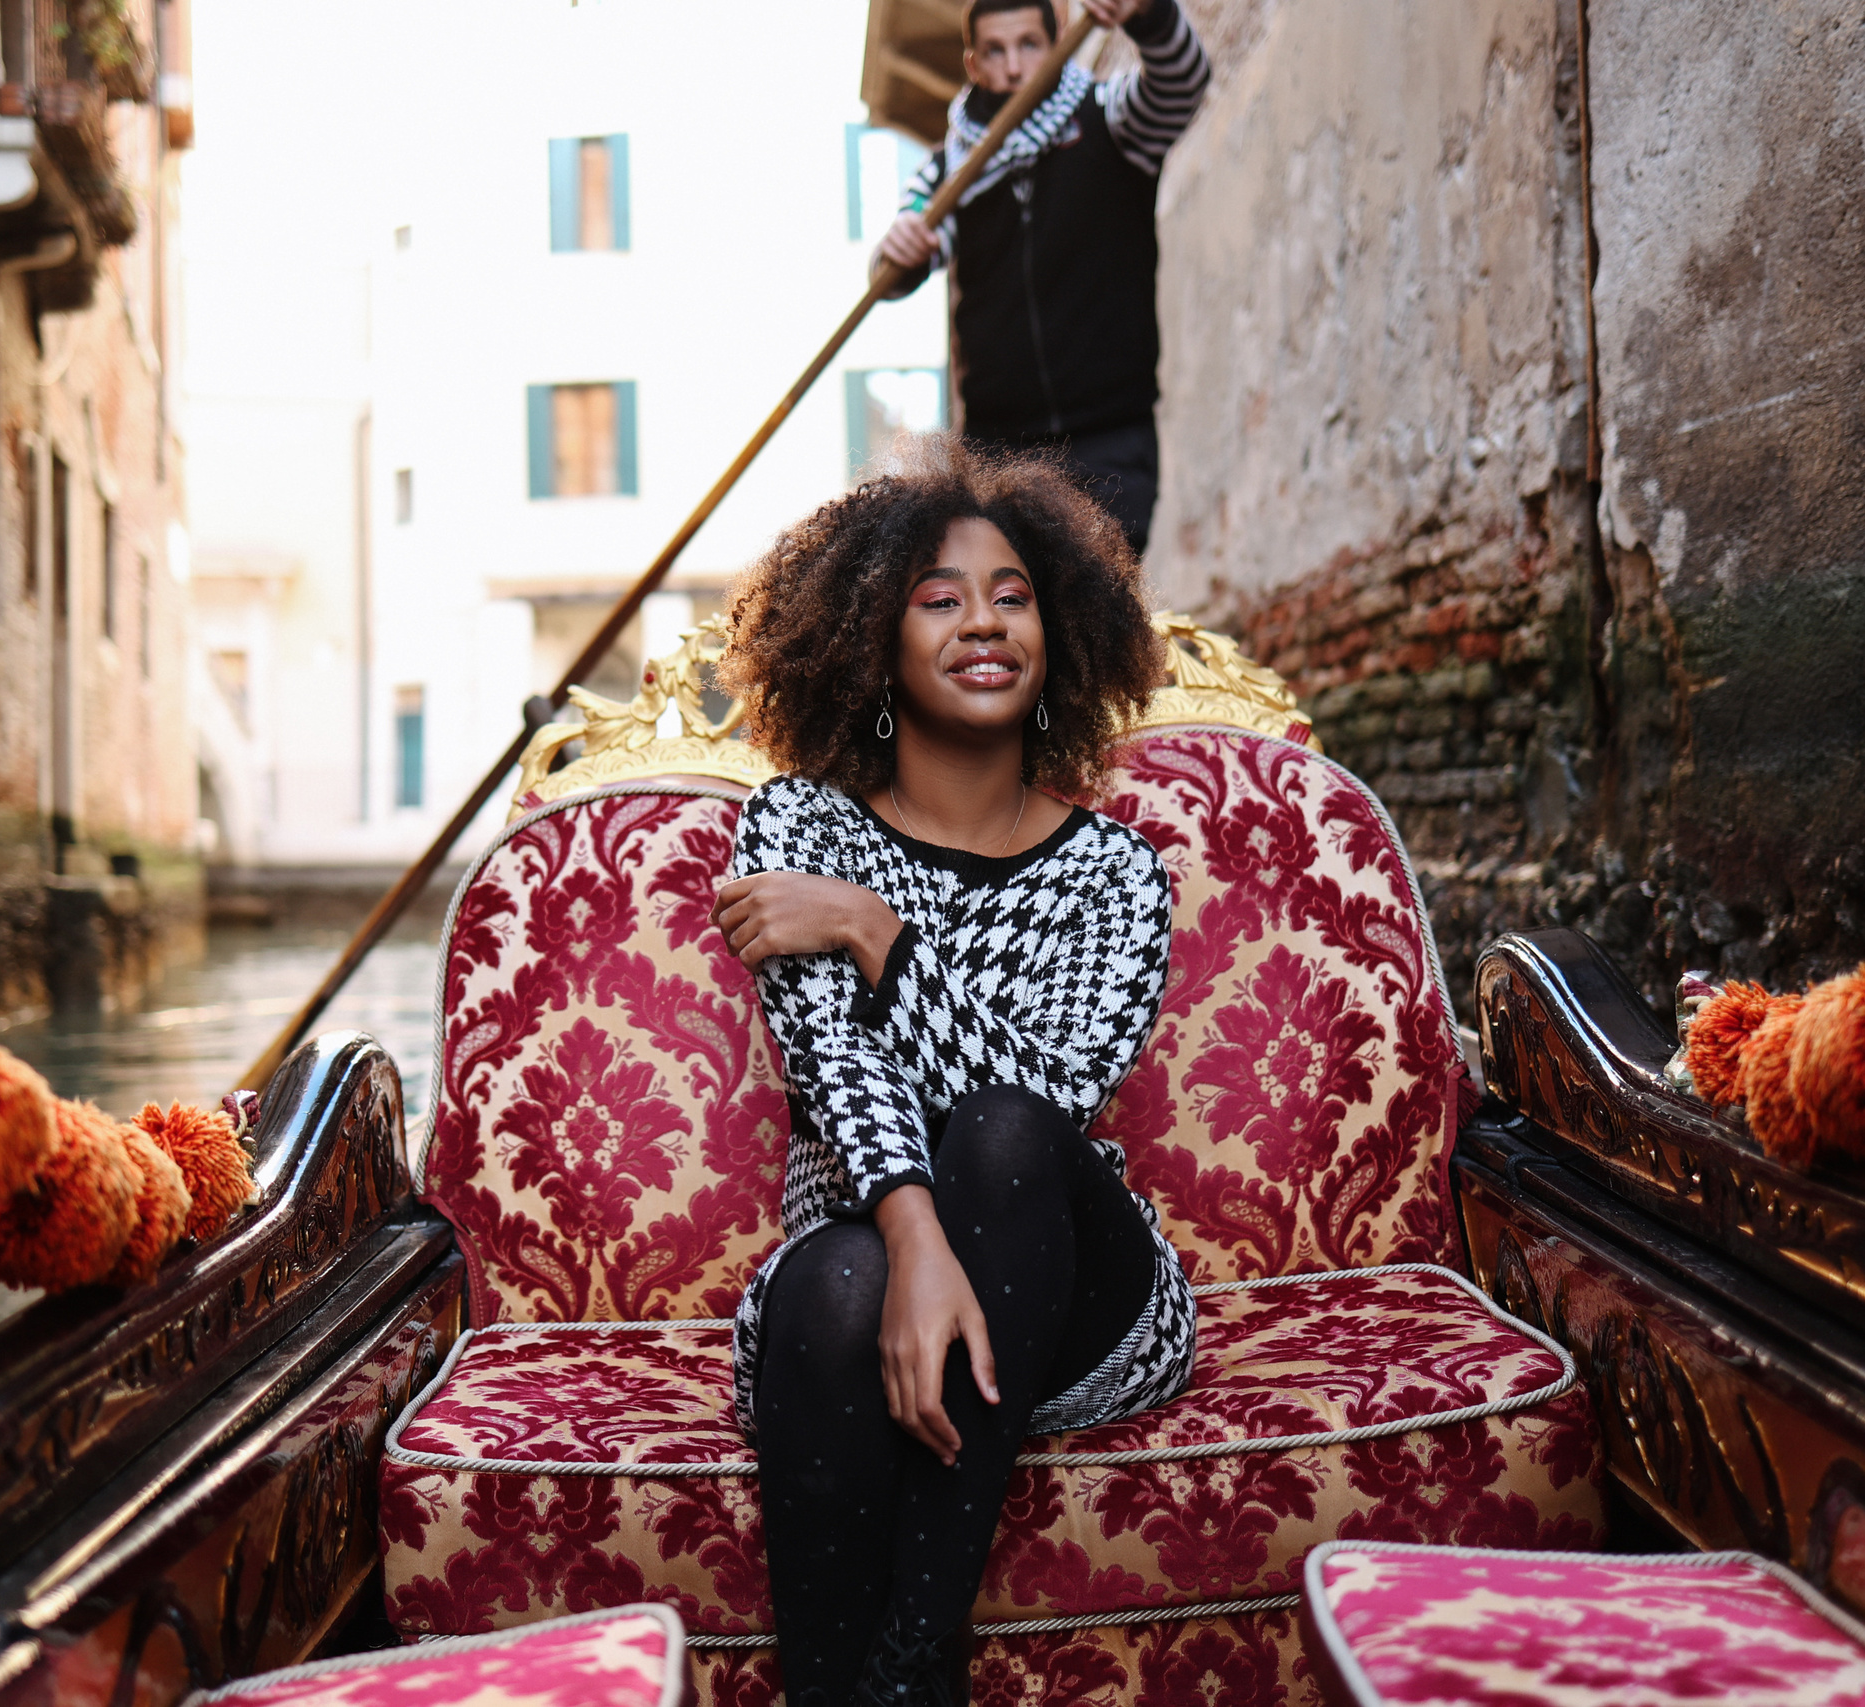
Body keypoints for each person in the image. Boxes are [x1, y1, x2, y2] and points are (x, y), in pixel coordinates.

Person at [708, 439, 1193, 1704]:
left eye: (1013, 595)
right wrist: (915, 1245)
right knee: (838, 1284)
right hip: (864, 1262)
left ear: (1058, 638)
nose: (983, 621)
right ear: (873, 640)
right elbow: (835, 1072)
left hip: (1078, 1297)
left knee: (1005, 1131)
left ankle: (920, 1652)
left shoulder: (1115, 876)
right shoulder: (798, 826)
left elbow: (1051, 1103)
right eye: (939, 597)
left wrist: (873, 932)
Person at [876, 0, 1211, 557]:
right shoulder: (949, 171)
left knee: (1093, 607)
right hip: (998, 451)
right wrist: (899, 251)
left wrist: (1148, 14)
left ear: (1057, 45)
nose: (1013, 66)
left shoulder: (1112, 119)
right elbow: (894, 269)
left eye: (1029, 45)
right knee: (1016, 605)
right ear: (973, 64)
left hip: (1109, 438)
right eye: (995, 51)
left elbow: (1183, 81)